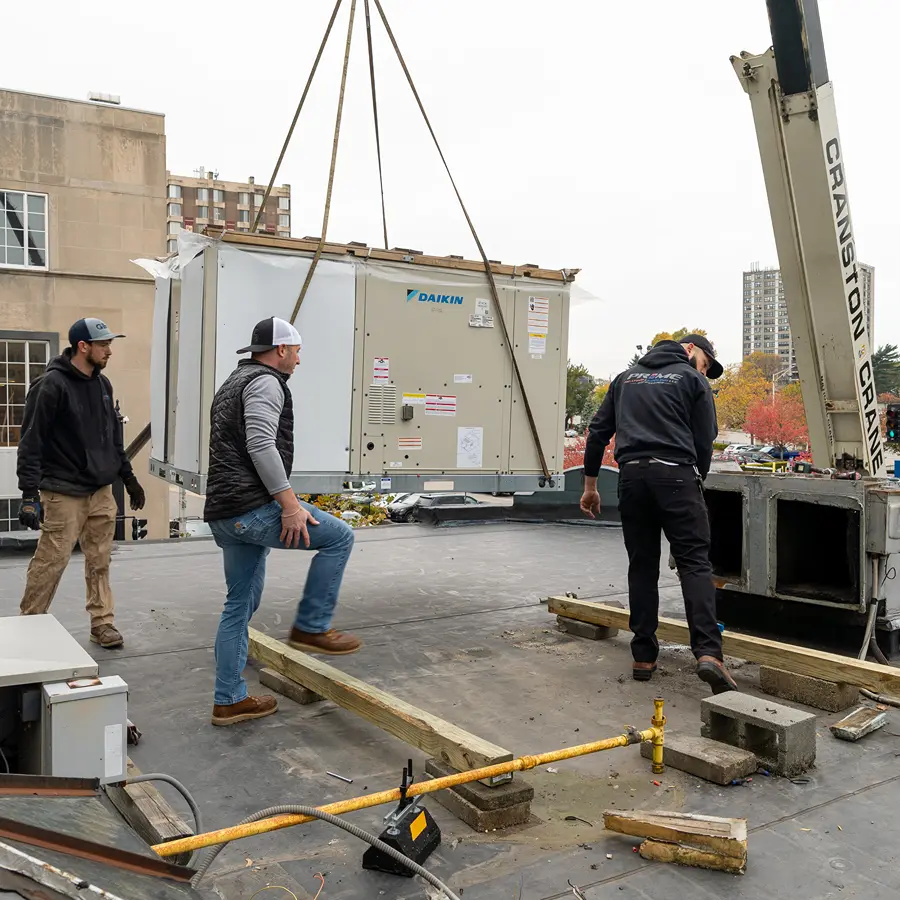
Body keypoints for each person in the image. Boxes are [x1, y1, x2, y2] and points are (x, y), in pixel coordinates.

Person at [204, 316, 360, 727]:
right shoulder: (266, 383)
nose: (299, 360)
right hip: (250, 510)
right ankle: (312, 626)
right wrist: (289, 505)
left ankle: (228, 700)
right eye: (296, 351)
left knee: (239, 605)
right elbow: (260, 443)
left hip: (225, 513)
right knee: (340, 537)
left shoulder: (231, 384)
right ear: (280, 352)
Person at [579, 334, 738, 694]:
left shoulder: (625, 379)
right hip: (676, 475)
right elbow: (705, 438)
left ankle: (643, 657)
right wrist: (696, 477)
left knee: (642, 564)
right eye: (706, 364)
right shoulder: (692, 380)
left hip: (632, 478)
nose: (705, 371)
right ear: (691, 351)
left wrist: (590, 485)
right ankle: (709, 654)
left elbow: (598, 433)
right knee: (695, 564)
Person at [17, 318, 146, 649]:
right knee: (51, 561)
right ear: (82, 347)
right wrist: (30, 495)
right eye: (103, 345)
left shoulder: (103, 385)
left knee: (100, 559)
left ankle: (102, 623)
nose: (110, 351)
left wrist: (129, 478)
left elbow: (112, 439)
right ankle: (30, 625)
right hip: (63, 493)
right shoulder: (50, 386)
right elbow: (31, 443)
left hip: (100, 491)